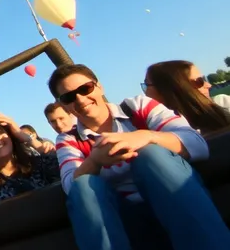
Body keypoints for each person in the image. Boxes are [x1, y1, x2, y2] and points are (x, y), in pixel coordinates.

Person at [49, 63, 230, 250]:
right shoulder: (69, 139)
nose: (80, 99)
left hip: (177, 201)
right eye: (69, 97)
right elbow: (71, 186)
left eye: (85, 89)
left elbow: (195, 142)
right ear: (63, 104)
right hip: (127, 220)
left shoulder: (137, 106)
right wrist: (94, 161)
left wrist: (146, 136)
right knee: (84, 186)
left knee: (151, 154)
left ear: (99, 86)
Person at [143, 60, 230, 134]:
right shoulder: (159, 133)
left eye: (147, 85)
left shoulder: (223, 103)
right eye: (200, 81)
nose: (209, 85)